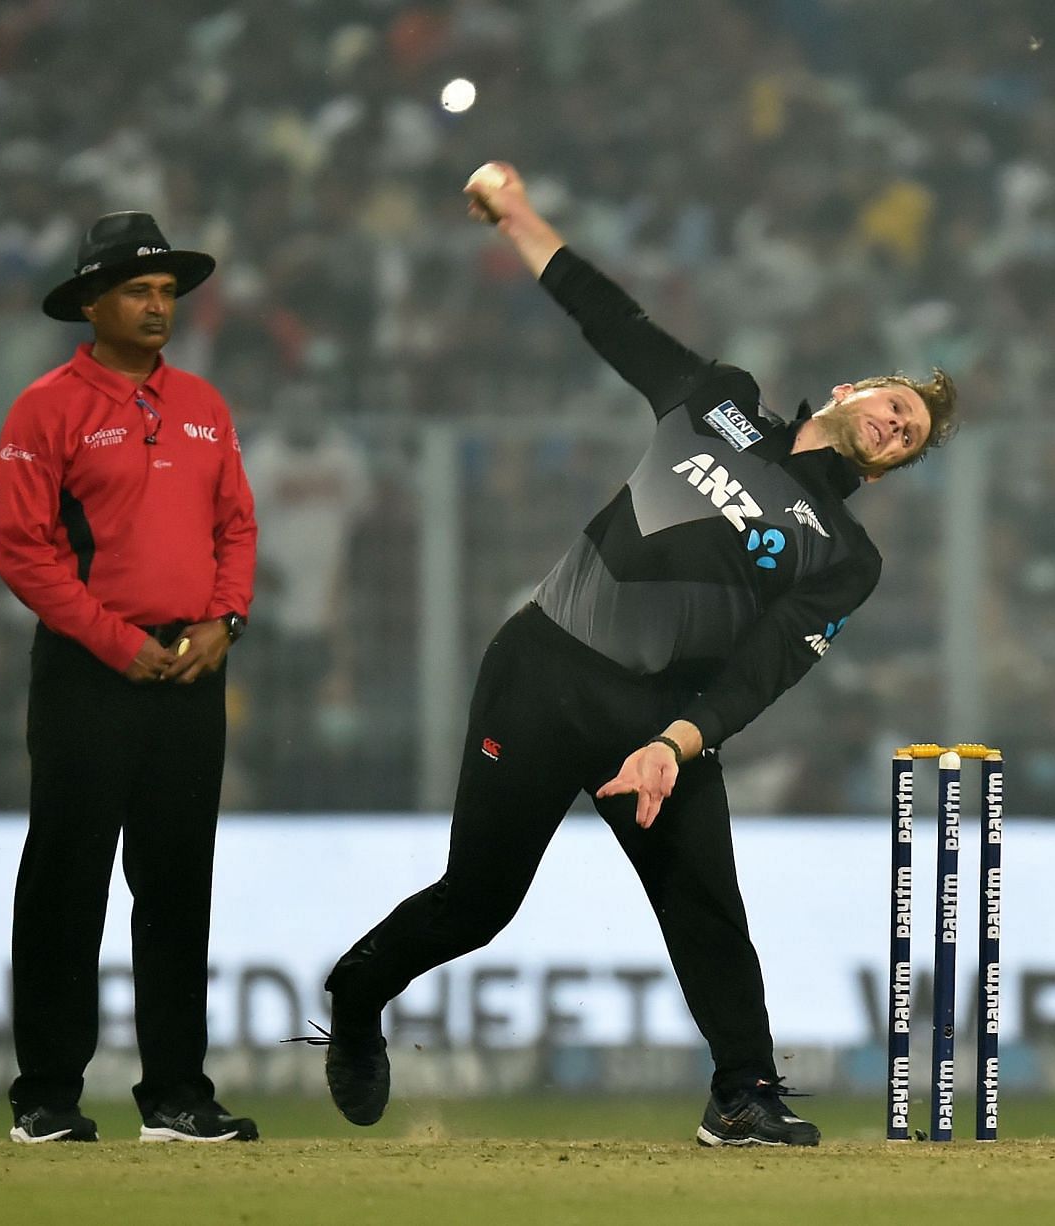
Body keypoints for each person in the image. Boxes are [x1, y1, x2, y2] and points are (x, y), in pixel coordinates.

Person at [308, 163, 958, 1147]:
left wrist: (678, 741)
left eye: (910, 435)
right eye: (897, 401)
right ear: (850, 388)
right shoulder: (721, 402)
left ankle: (743, 1090)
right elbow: (615, 322)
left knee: (710, 908)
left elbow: (765, 669)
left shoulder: (845, 553)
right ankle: (356, 996)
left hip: (661, 718)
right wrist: (522, 220)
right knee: (477, 905)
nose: (899, 421)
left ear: (894, 463)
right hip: (544, 666)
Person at [0, 211, 258, 1144]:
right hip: (88, 674)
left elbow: (238, 527)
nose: (158, 307)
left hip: (189, 671)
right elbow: (24, 554)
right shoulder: (45, 408)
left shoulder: (204, 405)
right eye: (138, 292)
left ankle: (178, 1095)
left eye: (166, 293)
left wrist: (225, 620)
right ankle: (46, 1098)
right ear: (91, 304)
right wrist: (115, 641)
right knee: (69, 877)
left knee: (179, 879)